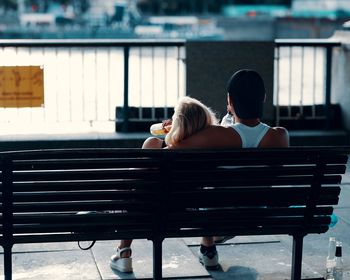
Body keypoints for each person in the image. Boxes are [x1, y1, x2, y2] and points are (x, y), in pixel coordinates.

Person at [110, 69, 289, 272]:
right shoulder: (279, 136)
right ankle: (208, 249)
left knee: (152, 147)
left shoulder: (220, 135)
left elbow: (172, 147)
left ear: (230, 100)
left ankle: (123, 249)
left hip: (216, 215)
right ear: (263, 97)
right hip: (256, 213)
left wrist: (175, 128)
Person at [109, 96, 219, 273]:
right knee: (203, 198)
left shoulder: (154, 144)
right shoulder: (207, 154)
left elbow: (133, 183)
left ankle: (124, 253)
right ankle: (209, 252)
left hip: (147, 215)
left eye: (174, 116)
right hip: (185, 215)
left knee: (132, 193)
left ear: (178, 123)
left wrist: (169, 138)